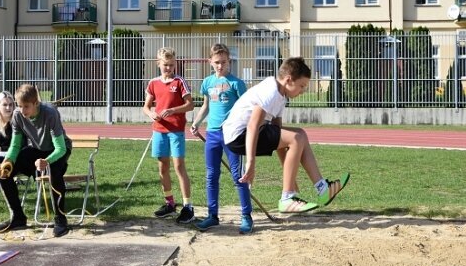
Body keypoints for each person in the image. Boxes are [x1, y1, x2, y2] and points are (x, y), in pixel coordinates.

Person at [222, 57, 350, 214]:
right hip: (238, 136)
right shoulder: (270, 92)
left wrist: (290, 177)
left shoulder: (281, 96)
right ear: (289, 80)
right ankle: (287, 198)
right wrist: (250, 163)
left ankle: (322, 188)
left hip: (247, 134)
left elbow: (279, 138)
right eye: (301, 86)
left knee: (300, 134)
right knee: (297, 137)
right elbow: (253, 125)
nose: (302, 91)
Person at [190, 43, 253, 233]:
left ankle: (246, 216)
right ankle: (212, 215)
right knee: (211, 175)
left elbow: (247, 108)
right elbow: (206, 106)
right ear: (210, 62)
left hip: (232, 135)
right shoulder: (208, 82)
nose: (220, 66)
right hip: (212, 134)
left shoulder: (236, 83)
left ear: (229, 61)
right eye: (216, 62)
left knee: (238, 176)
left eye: (223, 62)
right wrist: (197, 122)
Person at [0, 84, 72, 237]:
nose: (22, 111)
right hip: (37, 149)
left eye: (26, 107)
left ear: (36, 103)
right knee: (3, 174)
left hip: (58, 150)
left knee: (54, 171)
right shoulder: (17, 116)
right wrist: (7, 162)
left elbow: (60, 148)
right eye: (19, 106)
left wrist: (46, 161)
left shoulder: (50, 113)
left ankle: (60, 219)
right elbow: (15, 145)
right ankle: (18, 217)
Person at [142, 47, 195, 224]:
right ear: (158, 64)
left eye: (172, 65)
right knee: (162, 167)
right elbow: (146, 107)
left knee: (179, 166)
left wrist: (173, 110)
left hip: (176, 131)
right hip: (159, 130)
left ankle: (188, 206)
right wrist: (151, 114)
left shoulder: (179, 81)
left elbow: (190, 105)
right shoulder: (153, 83)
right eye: (165, 65)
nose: (169, 68)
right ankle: (170, 203)